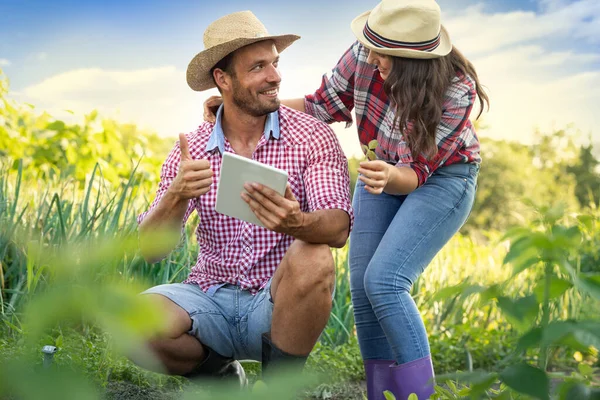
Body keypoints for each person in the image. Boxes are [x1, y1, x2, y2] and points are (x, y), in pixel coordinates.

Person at [204, 0, 489, 398]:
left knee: (385, 282)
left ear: (413, 60)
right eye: (370, 46)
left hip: (441, 177)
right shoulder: (363, 54)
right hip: (380, 171)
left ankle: (421, 396)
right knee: (363, 288)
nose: (371, 57)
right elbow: (320, 106)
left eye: (382, 53)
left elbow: (417, 173)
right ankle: (381, 394)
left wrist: (391, 175)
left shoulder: (457, 90)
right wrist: (238, 106)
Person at [136, 10, 353, 389]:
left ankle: (276, 389)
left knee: (314, 254)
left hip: (276, 304)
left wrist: (296, 223)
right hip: (209, 295)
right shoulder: (193, 149)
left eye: (274, 63)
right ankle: (221, 379)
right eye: (257, 67)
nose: (275, 76)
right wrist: (176, 195)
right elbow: (150, 250)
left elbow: (337, 228)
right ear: (223, 79)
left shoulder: (312, 136)